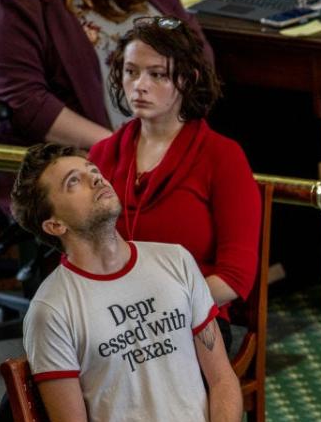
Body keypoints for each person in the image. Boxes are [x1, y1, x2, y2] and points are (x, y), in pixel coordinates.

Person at [9, 142, 265, 422]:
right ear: (54, 224)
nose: (96, 178)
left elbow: (222, 378)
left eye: (92, 170)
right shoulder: (51, 309)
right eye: (74, 182)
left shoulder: (175, 262)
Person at [89, 17, 261, 338]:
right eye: (131, 72)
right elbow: (78, 250)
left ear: (188, 79)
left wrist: (151, 313)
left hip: (193, 318)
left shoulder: (222, 157)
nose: (139, 85)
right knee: (35, 379)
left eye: (157, 75)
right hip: (109, 317)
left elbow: (236, 277)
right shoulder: (101, 155)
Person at [0, 0, 209, 149]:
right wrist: (122, 148)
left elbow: (198, 54)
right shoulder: (14, 2)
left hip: (168, 146)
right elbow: (28, 105)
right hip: (78, 165)